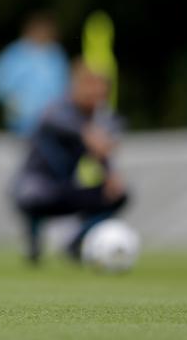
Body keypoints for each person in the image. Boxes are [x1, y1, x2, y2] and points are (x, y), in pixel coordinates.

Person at [11, 60, 129, 264]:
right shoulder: (56, 110)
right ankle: (33, 242)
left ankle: (76, 243)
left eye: (100, 93)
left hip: (68, 187)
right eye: (90, 89)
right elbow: (59, 122)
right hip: (39, 185)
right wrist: (86, 133)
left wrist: (110, 174)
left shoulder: (102, 120)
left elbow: (103, 148)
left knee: (117, 194)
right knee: (30, 193)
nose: (95, 97)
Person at [0, 11, 70, 136]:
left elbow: (64, 88)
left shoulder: (56, 55)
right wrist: (11, 100)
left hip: (50, 123)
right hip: (19, 122)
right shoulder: (17, 52)